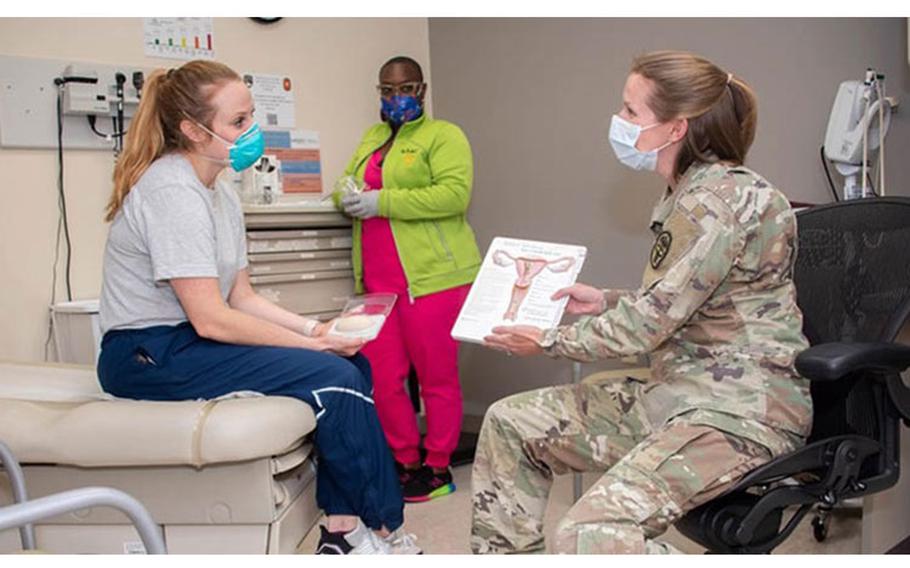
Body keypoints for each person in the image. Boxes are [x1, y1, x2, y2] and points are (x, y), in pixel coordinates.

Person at [472, 50, 812, 554]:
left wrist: (546, 338)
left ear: (676, 129)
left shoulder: (714, 203)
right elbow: (697, 305)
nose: (620, 122)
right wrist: (607, 300)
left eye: (631, 112)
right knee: (511, 423)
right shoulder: (687, 194)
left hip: (737, 413)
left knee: (591, 535)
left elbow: (646, 328)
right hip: (677, 394)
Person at [96, 60, 419, 555]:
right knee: (334, 375)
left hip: (187, 339)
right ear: (192, 130)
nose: (253, 132)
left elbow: (242, 297)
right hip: (145, 352)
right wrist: (315, 347)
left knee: (351, 363)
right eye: (238, 122)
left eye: (251, 117)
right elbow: (212, 317)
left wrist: (318, 329)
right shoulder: (172, 191)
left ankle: (343, 530)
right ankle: (378, 532)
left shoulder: (219, 192)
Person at [333, 56, 482, 502]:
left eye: (405, 88)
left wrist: (384, 202)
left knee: (436, 377)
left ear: (422, 90)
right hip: (378, 282)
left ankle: (437, 465)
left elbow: (455, 195)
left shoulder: (444, 135)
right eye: (386, 90)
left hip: (432, 278)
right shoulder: (373, 137)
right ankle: (404, 460)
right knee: (381, 374)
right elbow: (350, 180)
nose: (395, 97)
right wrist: (347, 195)